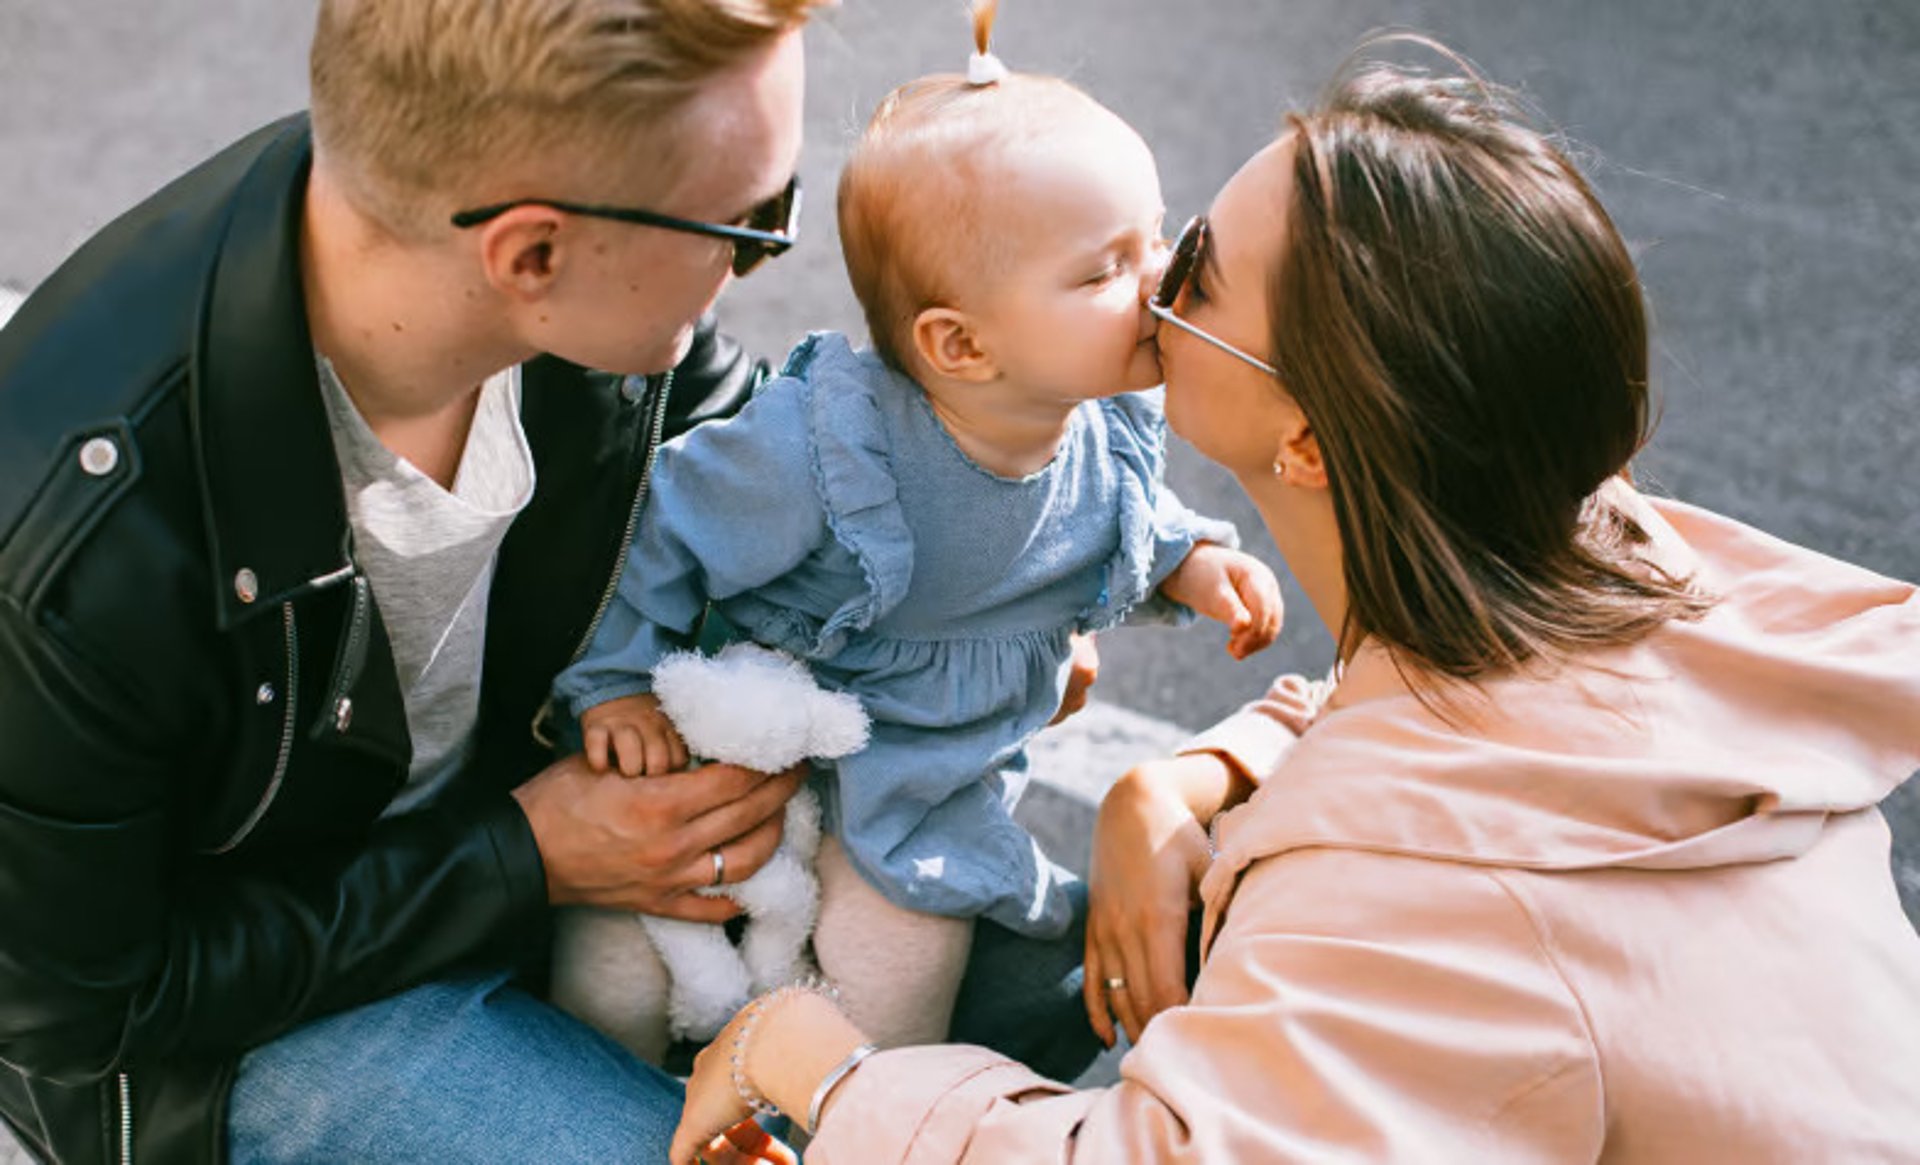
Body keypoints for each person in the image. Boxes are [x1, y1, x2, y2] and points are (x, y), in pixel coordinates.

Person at [669, 39, 1920, 1164]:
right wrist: (1191, 776)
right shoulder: (1625, 559)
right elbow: (1511, 755)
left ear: (1310, 443)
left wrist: (806, 1058)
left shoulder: (1421, 906)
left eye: (1199, 267)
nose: (1154, 283)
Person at [0, 3, 1095, 1163]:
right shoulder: (80, 547)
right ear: (533, 255)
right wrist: (519, 859)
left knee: (1075, 972)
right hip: (262, 1025)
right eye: (750, 219)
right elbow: (82, 1009)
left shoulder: (468, 216)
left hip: (552, 834)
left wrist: (979, 586)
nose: (761, 260)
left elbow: (742, 449)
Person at [546, 4, 1281, 1058]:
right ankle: (597, 1098)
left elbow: (1127, 522)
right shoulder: (825, 445)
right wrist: (614, 683)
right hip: (759, 733)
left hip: (925, 784)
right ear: (961, 344)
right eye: (1106, 267)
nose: (1161, 278)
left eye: (1157, 238)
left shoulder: (1107, 424)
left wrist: (1197, 561)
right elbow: (666, 527)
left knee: (896, 990)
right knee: (621, 970)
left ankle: (843, 1119)